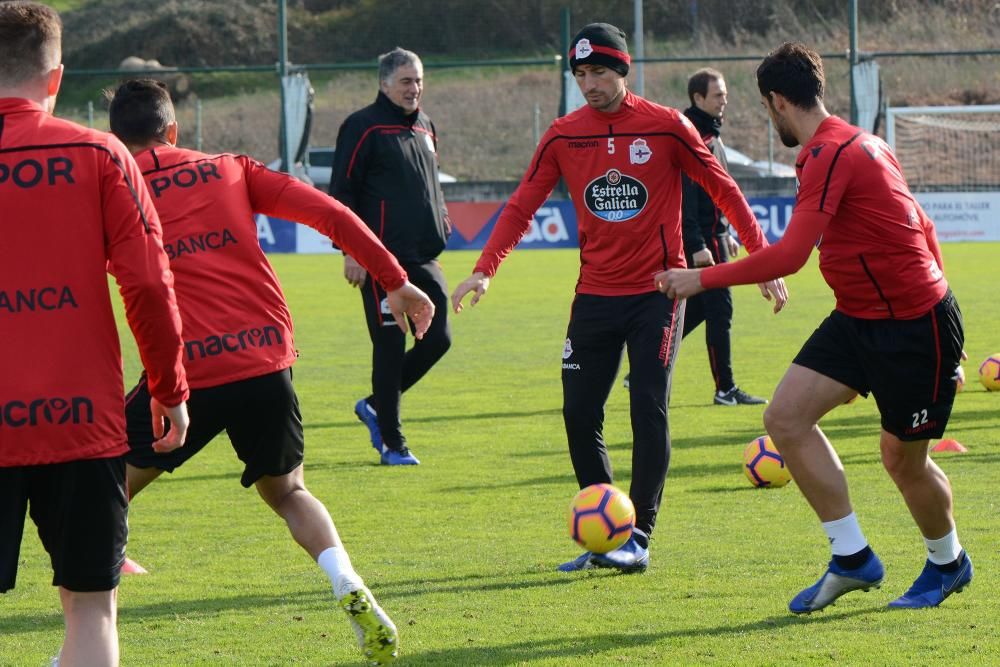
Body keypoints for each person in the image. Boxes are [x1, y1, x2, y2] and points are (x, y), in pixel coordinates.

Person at [108, 79, 435, 664]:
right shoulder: (229, 168)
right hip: (264, 361)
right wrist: (395, 280)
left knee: (102, 489)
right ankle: (348, 584)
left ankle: (80, 636)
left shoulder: (112, 187)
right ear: (174, 129)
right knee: (288, 491)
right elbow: (331, 212)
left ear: (115, 138)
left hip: (184, 373)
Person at [451, 23, 786, 573]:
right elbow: (521, 205)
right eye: (580, 74)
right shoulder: (563, 135)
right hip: (594, 296)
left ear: (623, 70)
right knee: (579, 413)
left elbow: (722, 187)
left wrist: (760, 257)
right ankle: (606, 529)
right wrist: (485, 270)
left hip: (660, 291)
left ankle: (640, 537)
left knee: (647, 406)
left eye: (599, 72)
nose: (589, 84)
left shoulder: (666, 127)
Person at [659, 42, 972, 612]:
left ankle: (948, 562)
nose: (767, 115)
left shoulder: (832, 154)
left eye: (764, 106)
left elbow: (792, 255)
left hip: (912, 326)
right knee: (784, 417)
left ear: (778, 101)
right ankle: (852, 558)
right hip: (858, 317)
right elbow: (925, 229)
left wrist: (698, 280)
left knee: (903, 461)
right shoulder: (863, 143)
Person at [0, 4, 190, 666]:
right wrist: (168, 387)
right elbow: (146, 283)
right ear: (56, 78)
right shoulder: (99, 152)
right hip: (81, 419)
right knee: (91, 609)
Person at [330, 47, 452, 466]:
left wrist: (442, 214)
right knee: (388, 346)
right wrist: (351, 251)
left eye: (418, 80)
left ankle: (376, 406)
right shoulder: (361, 126)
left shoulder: (427, 126)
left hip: (424, 255)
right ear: (384, 84)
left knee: (439, 338)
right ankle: (392, 442)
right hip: (380, 259)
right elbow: (342, 195)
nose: (414, 88)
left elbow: (428, 183)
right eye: (405, 81)